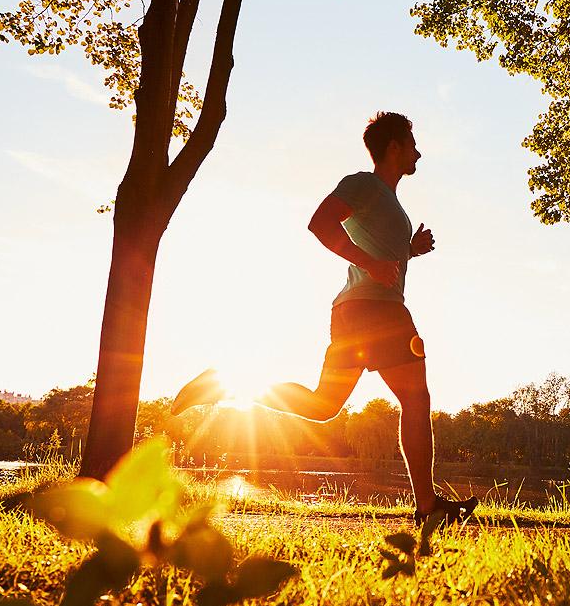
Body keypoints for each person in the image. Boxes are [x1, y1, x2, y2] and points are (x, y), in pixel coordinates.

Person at [172, 112, 476, 526]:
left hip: (356, 311)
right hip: (378, 311)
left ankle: (221, 386)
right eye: (411, 143)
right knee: (416, 399)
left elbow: (384, 257)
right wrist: (371, 263)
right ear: (393, 148)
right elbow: (319, 223)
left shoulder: (389, 201)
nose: (417, 151)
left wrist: (410, 251)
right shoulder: (363, 184)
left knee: (323, 405)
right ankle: (428, 507)